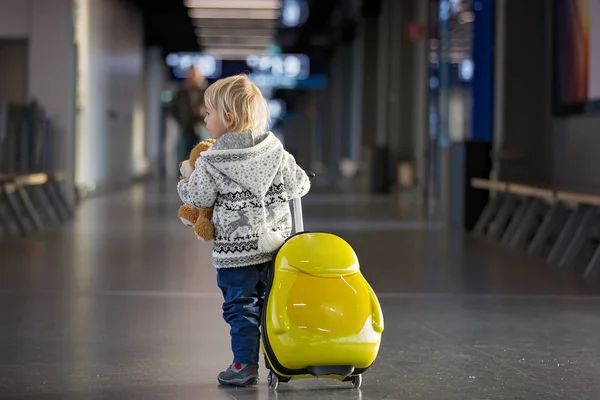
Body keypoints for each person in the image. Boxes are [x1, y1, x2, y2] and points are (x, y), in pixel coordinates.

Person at [176, 74, 310, 387]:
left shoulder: (210, 161)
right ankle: (279, 363)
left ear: (228, 117)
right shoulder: (275, 150)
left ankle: (243, 365)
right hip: (276, 247)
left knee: (241, 308)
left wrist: (184, 182)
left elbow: (199, 198)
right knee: (272, 306)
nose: (204, 118)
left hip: (236, 254)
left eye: (208, 113)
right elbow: (300, 184)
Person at [169, 66, 208, 174]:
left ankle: (201, 181)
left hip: (202, 129)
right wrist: (182, 120)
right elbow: (173, 109)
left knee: (202, 157)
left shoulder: (207, 91)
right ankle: (183, 181)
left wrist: (204, 113)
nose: (192, 78)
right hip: (186, 129)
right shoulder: (181, 92)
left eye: (194, 75)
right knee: (183, 157)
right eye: (190, 75)